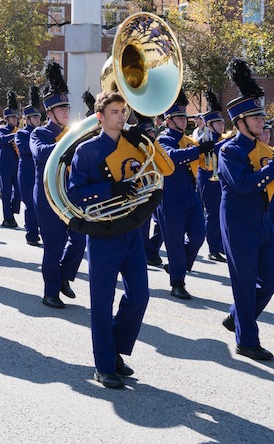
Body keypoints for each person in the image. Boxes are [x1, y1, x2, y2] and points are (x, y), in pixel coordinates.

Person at [66, 90, 173, 388]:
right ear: (100, 117)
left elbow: (163, 171)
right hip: (102, 233)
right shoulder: (86, 151)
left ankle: (113, 350)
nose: (121, 116)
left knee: (140, 296)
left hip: (131, 230)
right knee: (101, 302)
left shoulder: (134, 145)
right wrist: (109, 190)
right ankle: (103, 365)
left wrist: (148, 142)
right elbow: (75, 193)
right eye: (115, 111)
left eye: (123, 111)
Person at [217, 59, 274, 362]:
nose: (262, 121)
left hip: (264, 221)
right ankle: (247, 340)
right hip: (239, 220)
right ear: (240, 122)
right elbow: (244, 185)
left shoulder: (267, 149)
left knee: (271, 279)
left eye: (262, 116)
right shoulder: (228, 150)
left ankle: (237, 316)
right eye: (255, 117)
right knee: (245, 282)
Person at [31, 60, 85, 309]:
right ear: (49, 113)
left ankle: (64, 277)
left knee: (79, 241)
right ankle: (50, 292)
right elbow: (42, 153)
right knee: (53, 246)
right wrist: (69, 143)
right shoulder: (39, 133)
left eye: (67, 107)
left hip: (71, 196)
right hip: (48, 196)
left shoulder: (73, 133)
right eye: (61, 108)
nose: (66, 111)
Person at [155, 88, 210, 299]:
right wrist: (199, 150)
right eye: (179, 117)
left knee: (198, 235)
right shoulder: (163, 139)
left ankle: (178, 266)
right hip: (170, 196)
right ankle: (177, 282)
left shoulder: (189, 140)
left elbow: (202, 162)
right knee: (174, 240)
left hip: (190, 193)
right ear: (168, 120)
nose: (184, 120)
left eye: (184, 116)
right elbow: (171, 157)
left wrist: (212, 150)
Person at [197, 91, 229, 262]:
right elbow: (213, 150)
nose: (221, 125)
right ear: (209, 124)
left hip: (220, 179)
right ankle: (213, 248)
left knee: (221, 214)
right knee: (213, 214)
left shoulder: (222, 137)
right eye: (217, 122)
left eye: (222, 122)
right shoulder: (204, 139)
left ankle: (221, 245)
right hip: (207, 178)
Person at [16, 86, 43, 247]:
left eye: (38, 117)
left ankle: (40, 231)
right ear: (27, 119)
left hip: (39, 173)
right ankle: (31, 234)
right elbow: (25, 150)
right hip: (26, 173)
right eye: (34, 118)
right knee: (30, 205)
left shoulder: (43, 132)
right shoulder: (22, 134)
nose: (37, 120)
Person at [0, 91, 21, 229]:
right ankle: (7, 217)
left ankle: (12, 212)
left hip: (16, 164)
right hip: (5, 164)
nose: (15, 120)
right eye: (12, 118)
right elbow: (2, 140)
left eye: (15, 117)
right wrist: (15, 134)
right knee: (5, 192)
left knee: (18, 192)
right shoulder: (2, 130)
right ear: (7, 119)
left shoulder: (18, 130)